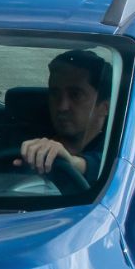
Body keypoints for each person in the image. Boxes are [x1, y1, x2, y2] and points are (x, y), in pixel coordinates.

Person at [17, 49, 112, 185]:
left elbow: (111, 168)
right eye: (55, 93)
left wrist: (73, 164)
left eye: (76, 95)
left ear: (104, 107)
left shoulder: (119, 148)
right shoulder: (26, 138)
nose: (62, 106)